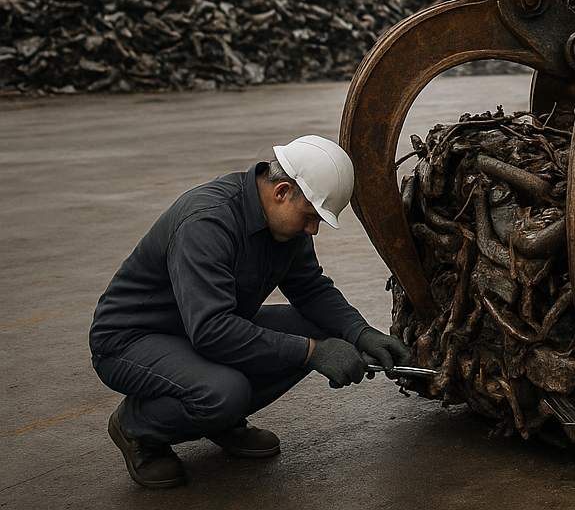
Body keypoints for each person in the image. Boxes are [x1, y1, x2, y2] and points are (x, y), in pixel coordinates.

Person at [89, 135, 413, 490]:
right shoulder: (207, 222)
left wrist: (361, 333)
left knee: (320, 330)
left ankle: (219, 421)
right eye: (310, 217)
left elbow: (310, 288)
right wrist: (311, 353)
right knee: (223, 392)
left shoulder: (285, 226)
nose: (313, 229)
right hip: (133, 340)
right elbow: (211, 330)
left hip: (195, 329)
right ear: (282, 192)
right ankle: (138, 428)